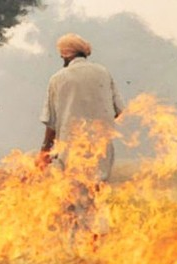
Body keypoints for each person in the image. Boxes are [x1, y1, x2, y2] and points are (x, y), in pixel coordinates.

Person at [37, 33, 124, 234]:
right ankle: (97, 240)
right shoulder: (103, 72)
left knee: (70, 199)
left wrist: (44, 152)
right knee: (95, 195)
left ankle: (76, 249)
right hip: (102, 148)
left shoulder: (58, 78)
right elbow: (118, 111)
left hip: (70, 147)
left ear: (66, 55)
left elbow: (51, 122)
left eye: (62, 57)